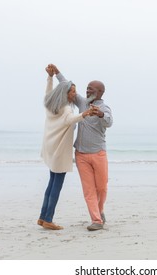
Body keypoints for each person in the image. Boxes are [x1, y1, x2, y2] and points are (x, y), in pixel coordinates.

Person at [51, 64, 113, 231]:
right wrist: (57, 73)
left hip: (99, 154)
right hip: (81, 155)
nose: (87, 92)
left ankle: (100, 211)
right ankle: (96, 220)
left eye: (91, 90)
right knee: (88, 190)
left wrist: (99, 114)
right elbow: (66, 84)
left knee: (102, 187)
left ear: (100, 93)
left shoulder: (104, 108)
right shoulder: (83, 103)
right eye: (86, 89)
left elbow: (109, 121)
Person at [38, 65, 93, 230]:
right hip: (60, 150)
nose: (74, 94)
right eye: (72, 92)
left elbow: (48, 91)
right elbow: (70, 120)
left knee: (51, 183)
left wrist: (50, 78)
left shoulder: (51, 103)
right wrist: (85, 114)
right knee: (56, 185)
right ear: (65, 93)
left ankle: (42, 217)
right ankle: (48, 219)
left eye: (75, 91)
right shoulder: (66, 108)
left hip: (50, 147)